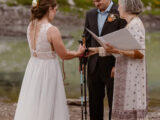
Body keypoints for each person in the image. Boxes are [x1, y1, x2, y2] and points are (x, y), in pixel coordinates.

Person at [14, 0, 85, 120]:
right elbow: (63, 55)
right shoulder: (52, 30)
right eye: (55, 10)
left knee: (33, 100)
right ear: (49, 9)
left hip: (33, 68)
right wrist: (78, 52)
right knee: (49, 100)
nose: (55, 13)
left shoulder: (31, 25)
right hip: (48, 69)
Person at [88, 0, 148, 119]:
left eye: (120, 6)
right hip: (126, 72)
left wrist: (117, 51)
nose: (118, 8)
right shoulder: (129, 24)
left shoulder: (135, 24)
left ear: (127, 7)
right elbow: (121, 48)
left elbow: (140, 53)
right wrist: (95, 50)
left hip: (132, 75)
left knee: (130, 108)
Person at [83, 0, 127, 120]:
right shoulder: (90, 14)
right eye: (94, 1)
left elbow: (124, 42)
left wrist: (118, 65)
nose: (96, 4)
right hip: (93, 66)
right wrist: (82, 62)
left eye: (99, 0)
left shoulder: (120, 12)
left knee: (114, 105)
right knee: (94, 104)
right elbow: (85, 39)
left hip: (112, 67)